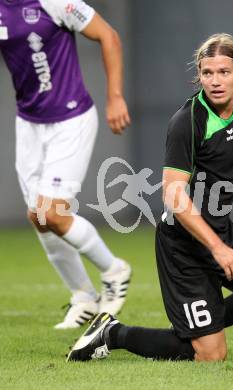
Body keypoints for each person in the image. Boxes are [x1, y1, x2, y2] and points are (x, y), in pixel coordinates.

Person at [67, 33, 233, 362]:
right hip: (183, 245)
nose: (216, 81)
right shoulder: (188, 121)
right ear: (199, 75)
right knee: (210, 355)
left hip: (220, 231)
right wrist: (218, 249)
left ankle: (202, 326)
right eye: (207, 73)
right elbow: (174, 193)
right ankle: (113, 333)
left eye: (224, 72)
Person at [0, 0, 132, 329]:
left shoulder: (54, 2)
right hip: (29, 124)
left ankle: (115, 271)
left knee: (52, 212)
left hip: (71, 120)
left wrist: (115, 96)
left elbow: (109, 36)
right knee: (39, 217)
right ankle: (83, 296)